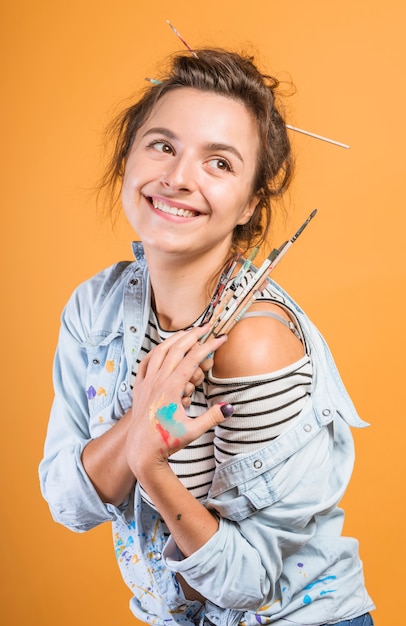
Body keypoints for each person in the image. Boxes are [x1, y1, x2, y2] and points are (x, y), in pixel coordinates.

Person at [39, 48, 375, 626]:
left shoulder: (254, 343)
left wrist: (151, 465)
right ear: (128, 157)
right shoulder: (95, 310)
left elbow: (250, 583)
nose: (178, 177)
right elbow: (69, 504)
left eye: (219, 163)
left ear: (249, 204)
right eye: (163, 145)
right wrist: (145, 418)